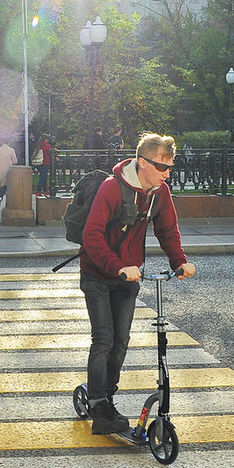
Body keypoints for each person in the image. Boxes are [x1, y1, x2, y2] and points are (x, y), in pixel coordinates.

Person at [79, 132, 196, 435]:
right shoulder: (112, 189)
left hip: (128, 276)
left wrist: (178, 261)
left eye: (170, 167)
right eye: (162, 167)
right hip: (98, 274)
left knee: (121, 343)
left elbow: (168, 231)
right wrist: (117, 267)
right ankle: (99, 405)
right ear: (143, 163)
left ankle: (107, 396)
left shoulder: (160, 192)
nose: (167, 173)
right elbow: (91, 235)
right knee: (104, 339)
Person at [0, 138, 17, 210]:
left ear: (2, 142)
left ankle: (0, 198)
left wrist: (0, 166)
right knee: (10, 186)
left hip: (1, 170)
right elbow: (15, 161)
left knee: (3, 185)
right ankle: (10, 203)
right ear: (8, 142)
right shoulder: (11, 150)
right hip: (10, 170)